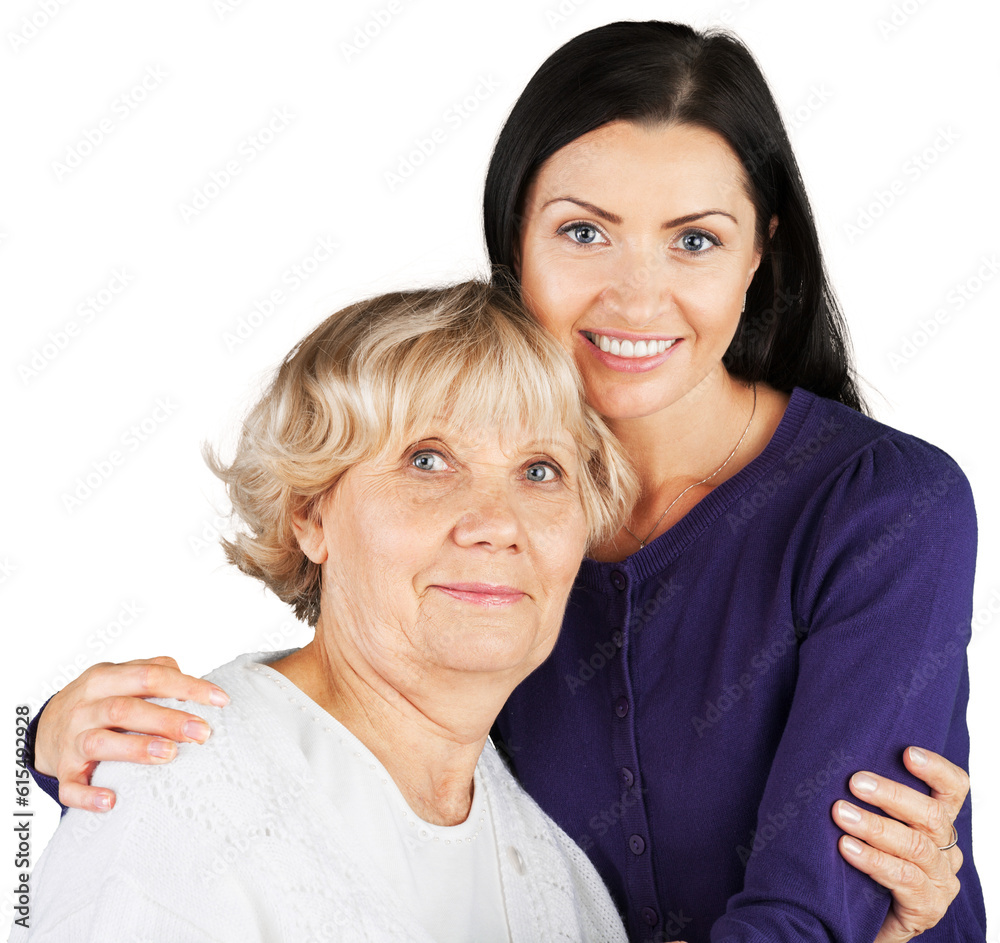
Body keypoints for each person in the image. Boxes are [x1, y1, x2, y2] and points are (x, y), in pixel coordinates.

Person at [24, 20, 983, 943]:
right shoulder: (494, 531)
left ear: (759, 254)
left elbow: (813, 912)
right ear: (513, 240)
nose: (638, 295)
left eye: (694, 239)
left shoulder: (882, 508)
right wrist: (86, 755)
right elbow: (327, 760)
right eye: (584, 232)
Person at [12, 282, 637, 942]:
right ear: (310, 513)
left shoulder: (564, 882)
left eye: (541, 470)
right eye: (428, 460)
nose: (496, 523)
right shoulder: (178, 798)